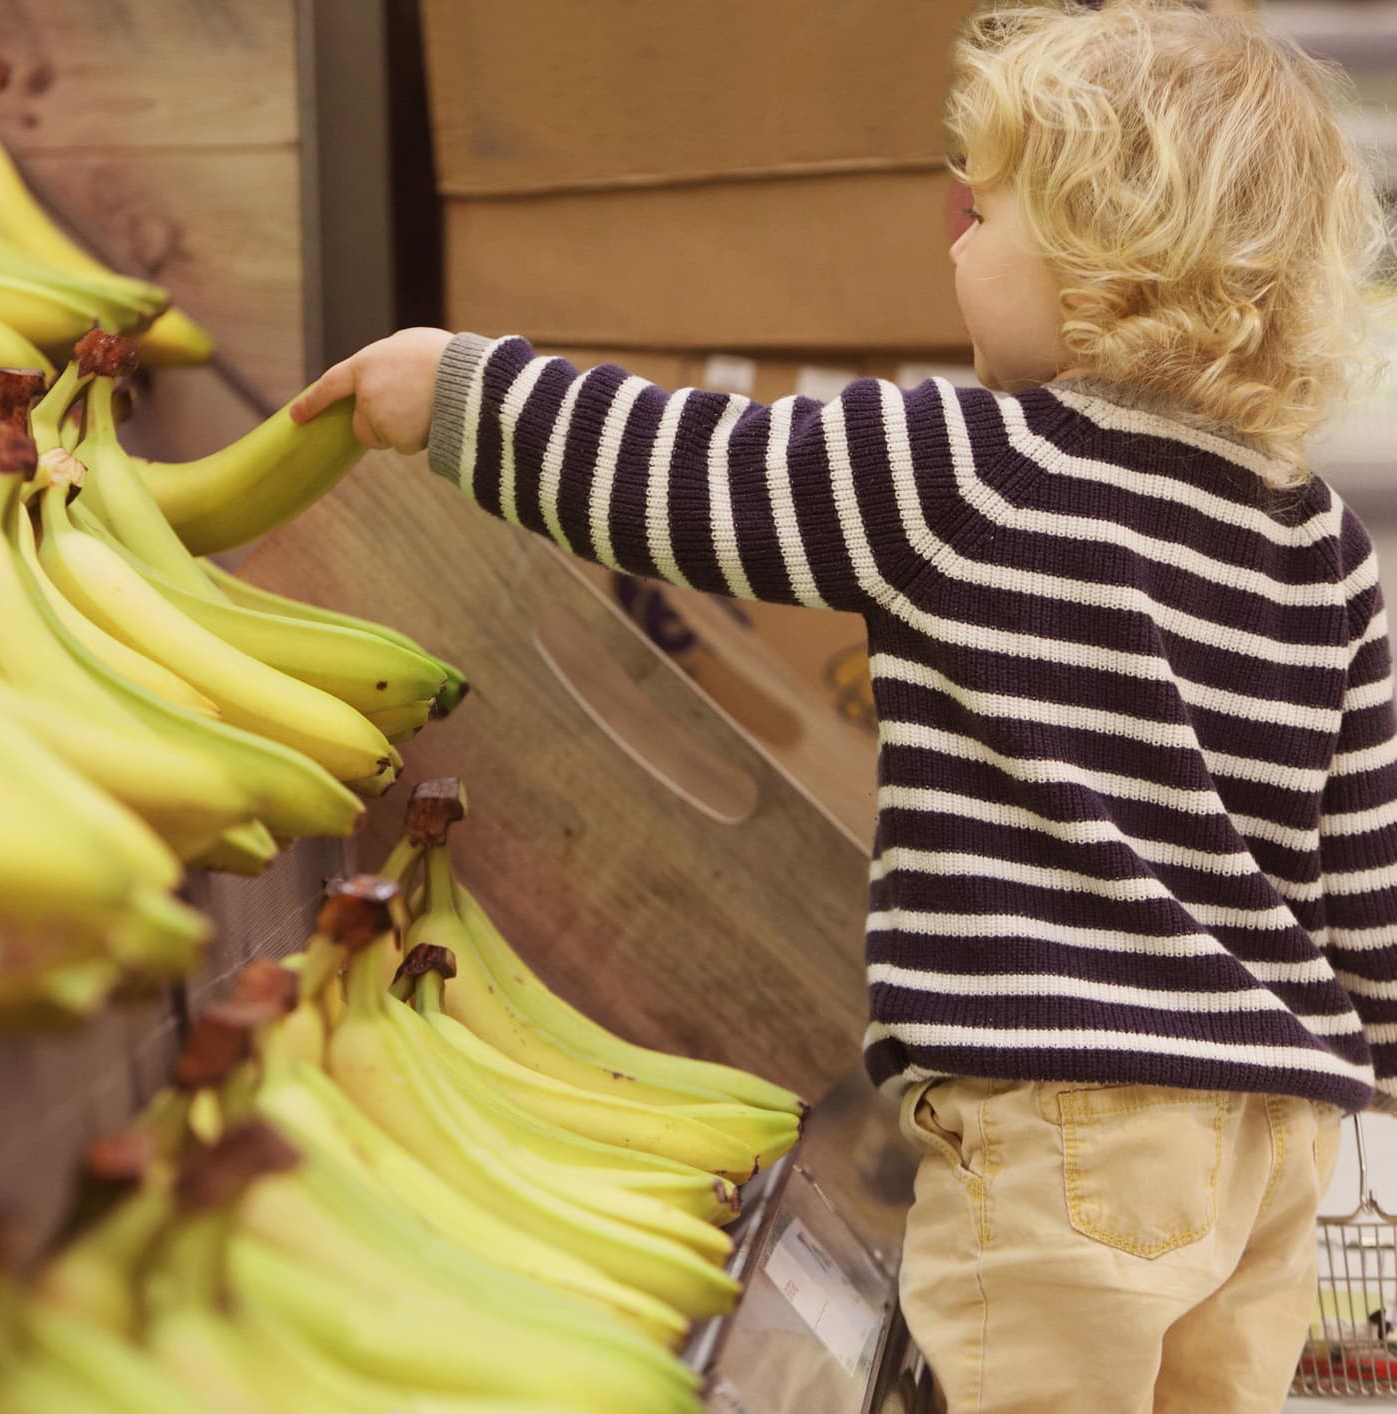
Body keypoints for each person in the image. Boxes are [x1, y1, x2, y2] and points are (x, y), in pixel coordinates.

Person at [291, 1, 1396, 1407]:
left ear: (1098, 247)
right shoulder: (1308, 538)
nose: (952, 244)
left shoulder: (964, 467)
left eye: (980, 214)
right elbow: (1360, 873)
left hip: (1068, 1121)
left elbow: (689, 474)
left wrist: (456, 389)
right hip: (1274, 1129)